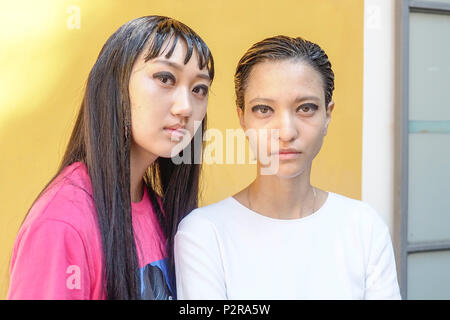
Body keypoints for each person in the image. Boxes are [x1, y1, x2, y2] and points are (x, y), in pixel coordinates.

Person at [174, 35, 401, 299]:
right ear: (242, 119)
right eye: (263, 109)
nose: (286, 132)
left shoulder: (365, 227)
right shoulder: (203, 234)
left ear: (328, 115)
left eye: (305, 108)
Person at [7, 15, 214, 300]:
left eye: (199, 89)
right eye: (165, 78)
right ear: (115, 86)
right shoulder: (61, 224)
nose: (185, 107)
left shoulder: (160, 212)